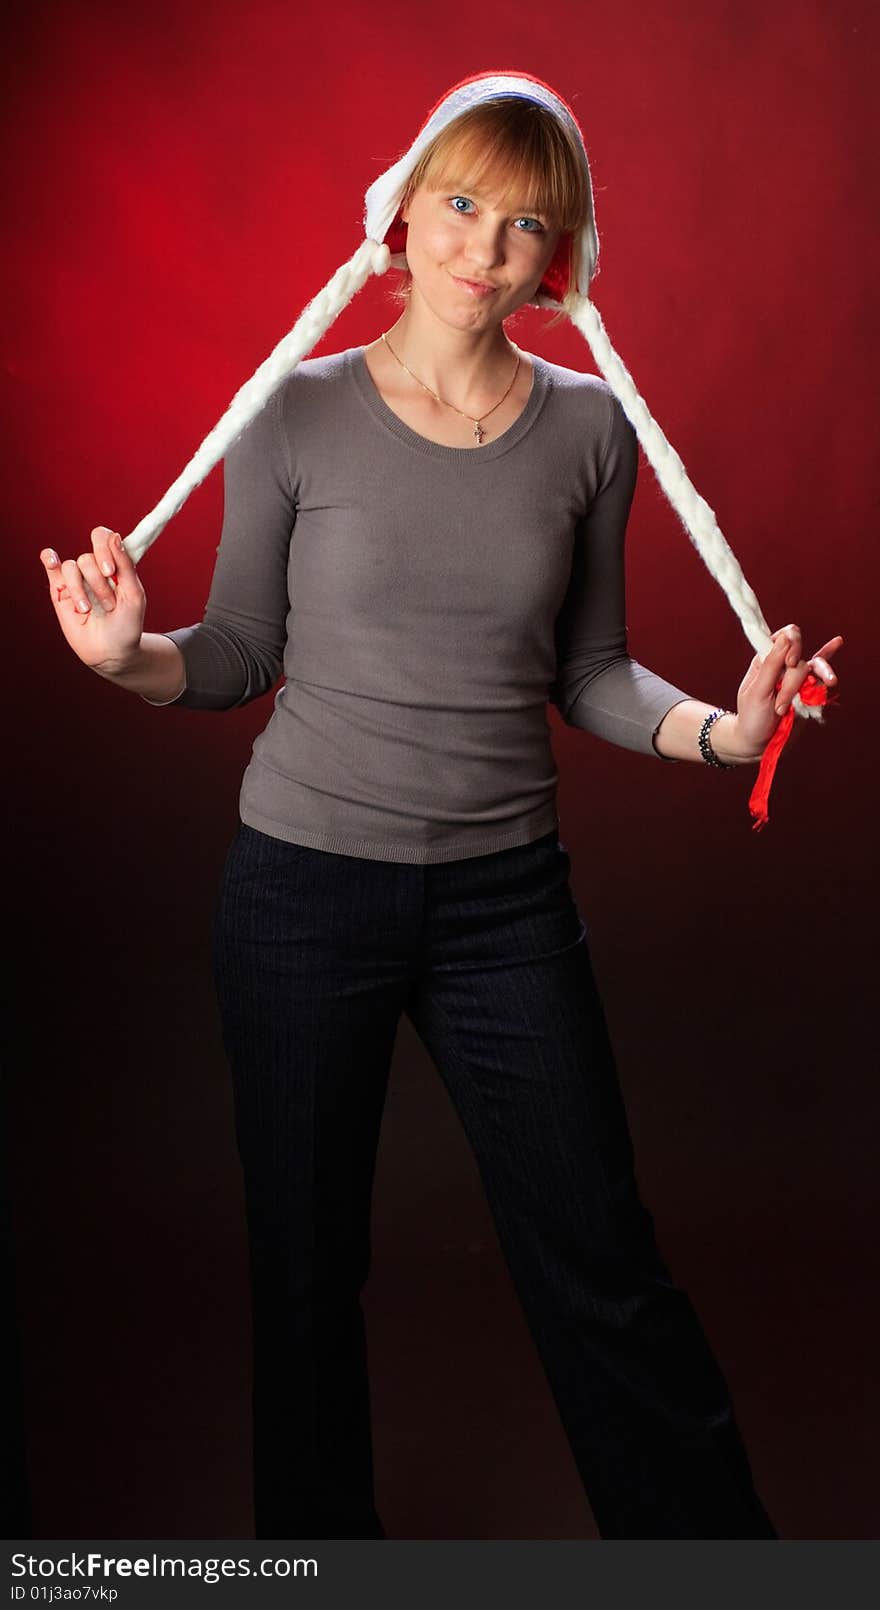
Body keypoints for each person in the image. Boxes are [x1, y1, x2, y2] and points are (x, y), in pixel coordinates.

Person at [39, 72, 841, 1540]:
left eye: (526, 224)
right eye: (461, 203)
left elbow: (588, 671)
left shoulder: (590, 435)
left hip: (502, 909)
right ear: (402, 213)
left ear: (560, 263)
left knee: (602, 1256)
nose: (485, 246)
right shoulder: (298, 413)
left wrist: (727, 736)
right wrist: (127, 661)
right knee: (303, 1275)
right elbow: (239, 655)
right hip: (299, 894)